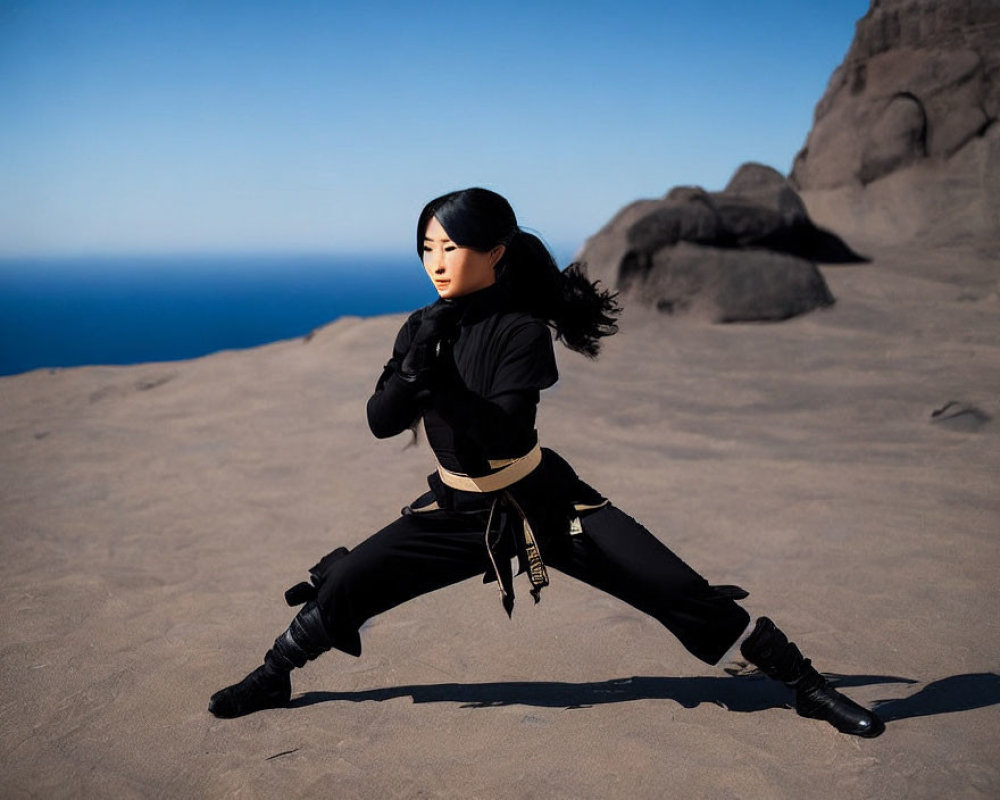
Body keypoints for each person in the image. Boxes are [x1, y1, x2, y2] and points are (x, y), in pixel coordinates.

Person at [208, 187, 884, 738]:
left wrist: (439, 386)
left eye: (451, 246)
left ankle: (806, 687)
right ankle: (274, 675)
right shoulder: (419, 326)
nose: (436, 261)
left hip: (544, 501)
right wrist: (411, 374)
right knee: (348, 579)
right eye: (426, 248)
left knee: (675, 588)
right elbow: (380, 423)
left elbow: (505, 434)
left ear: (495, 252)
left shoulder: (521, 332)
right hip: (453, 508)